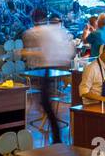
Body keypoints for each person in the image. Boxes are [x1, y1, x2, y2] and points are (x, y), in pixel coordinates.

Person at [20, 9, 75, 143]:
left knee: (45, 102)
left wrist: (25, 53)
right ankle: (54, 131)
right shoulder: (57, 31)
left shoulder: (38, 32)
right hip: (59, 70)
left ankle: (56, 135)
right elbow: (70, 49)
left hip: (48, 71)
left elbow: (28, 36)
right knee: (45, 102)